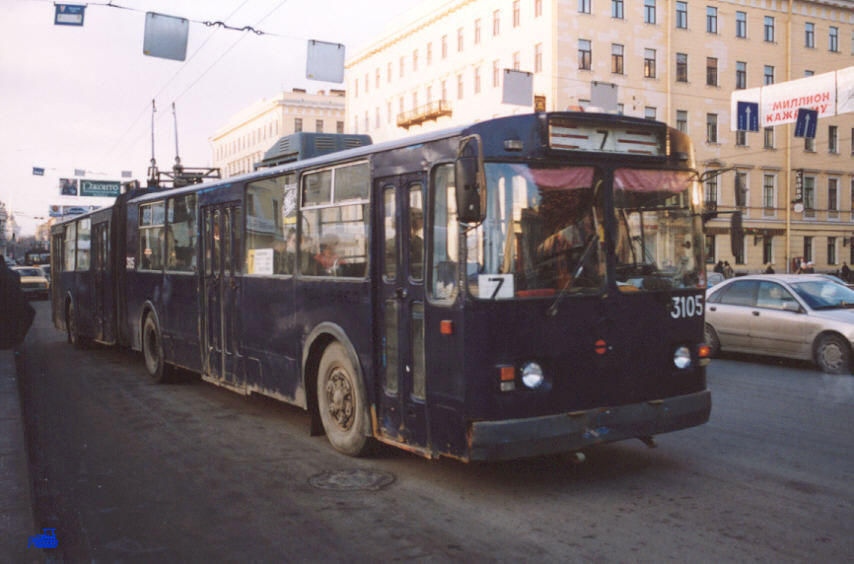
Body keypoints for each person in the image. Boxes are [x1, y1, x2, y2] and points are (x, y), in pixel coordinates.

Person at [0, 255, 36, 349]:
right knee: (29, 314)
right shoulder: (13, 274)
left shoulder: (11, 274)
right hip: (14, 303)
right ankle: (17, 338)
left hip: (9, 304)